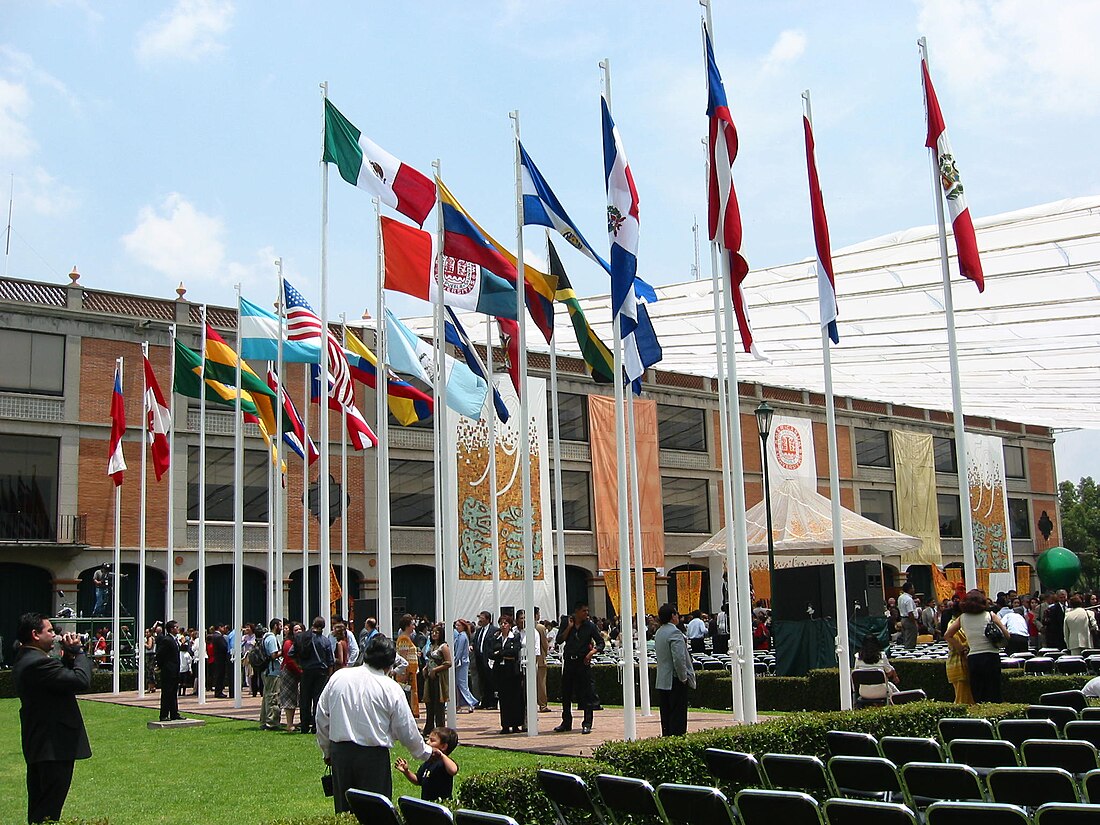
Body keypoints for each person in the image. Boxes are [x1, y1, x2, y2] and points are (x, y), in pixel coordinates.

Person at [315, 636, 433, 814]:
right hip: (373, 757)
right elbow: (406, 729)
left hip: (342, 754)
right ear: (390, 664)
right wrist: (424, 753)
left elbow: (322, 717)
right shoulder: (390, 687)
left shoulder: (339, 677)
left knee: (345, 812)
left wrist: (327, 750)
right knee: (376, 813)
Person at [14, 613, 92, 824]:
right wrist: (79, 652)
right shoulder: (37, 663)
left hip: (43, 745)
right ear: (35, 634)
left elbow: (57, 682)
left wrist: (67, 658)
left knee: (41, 805)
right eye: (49, 631)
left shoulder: (28, 659)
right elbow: (81, 680)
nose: (55, 635)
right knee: (48, 809)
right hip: (53, 746)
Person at [945, 589, 1010, 703]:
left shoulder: (962, 618)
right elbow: (1007, 635)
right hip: (992, 656)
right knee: (994, 691)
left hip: (974, 658)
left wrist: (962, 648)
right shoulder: (990, 615)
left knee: (978, 693)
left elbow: (948, 635)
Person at [555, 604, 604, 734]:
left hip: (583, 663)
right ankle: (566, 722)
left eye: (587, 611)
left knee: (586, 694)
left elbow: (601, 643)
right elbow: (559, 640)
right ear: (576, 612)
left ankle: (587, 723)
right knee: (566, 694)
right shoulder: (567, 622)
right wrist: (569, 628)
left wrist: (591, 652)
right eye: (583, 611)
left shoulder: (590, 626)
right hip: (569, 662)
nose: (586, 613)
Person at [654, 603, 695, 736]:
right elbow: (678, 658)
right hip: (674, 679)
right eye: (676, 613)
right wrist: (683, 677)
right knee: (678, 717)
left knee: (666, 716)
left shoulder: (659, 632)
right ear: (673, 616)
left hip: (662, 679)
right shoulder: (675, 632)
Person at [396, 726, 459, 802]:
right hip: (427, 803)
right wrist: (406, 772)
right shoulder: (428, 762)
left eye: (432, 741)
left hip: (441, 805)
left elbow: (453, 770)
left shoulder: (445, 763)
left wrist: (442, 755)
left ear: (443, 746)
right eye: (428, 739)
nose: (427, 742)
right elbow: (418, 780)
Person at [297, 616, 335, 735]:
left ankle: (304, 725)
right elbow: (330, 661)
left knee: (305, 699)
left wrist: (299, 666)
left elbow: (292, 653)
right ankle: (315, 726)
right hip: (321, 672)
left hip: (307, 670)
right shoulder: (325, 640)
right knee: (318, 699)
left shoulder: (303, 638)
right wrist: (329, 676)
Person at [493, 614, 525, 734]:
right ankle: (505, 725)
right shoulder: (496, 638)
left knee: (515, 698)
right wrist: (502, 654)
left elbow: (514, 651)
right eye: (501, 623)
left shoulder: (515, 637)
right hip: (501, 672)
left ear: (510, 625)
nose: (503, 625)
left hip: (512, 671)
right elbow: (491, 652)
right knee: (504, 699)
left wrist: (500, 653)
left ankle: (516, 724)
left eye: (505, 623)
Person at [422, 623, 452, 736]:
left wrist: (435, 670)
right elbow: (429, 660)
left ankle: (440, 730)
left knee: (438, 706)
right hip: (429, 678)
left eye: (437, 632)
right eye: (432, 632)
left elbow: (448, 663)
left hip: (439, 679)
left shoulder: (443, 647)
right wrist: (426, 668)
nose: (434, 634)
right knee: (429, 703)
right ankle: (429, 728)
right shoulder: (431, 646)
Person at [852, 634, 900, 700]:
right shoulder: (882, 656)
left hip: (864, 692)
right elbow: (889, 673)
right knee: (894, 691)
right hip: (882, 692)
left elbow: (856, 675)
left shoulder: (857, 657)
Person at [155, 620, 182, 722]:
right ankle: (164, 715)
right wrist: (163, 666)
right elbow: (159, 654)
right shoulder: (167, 640)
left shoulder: (174, 640)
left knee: (173, 693)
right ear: (171, 629)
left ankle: (174, 713)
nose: (178, 628)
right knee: (167, 693)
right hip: (168, 671)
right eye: (176, 627)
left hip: (175, 671)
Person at [259, 618, 282, 731]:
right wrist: (284, 651)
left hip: (267, 671)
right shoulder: (272, 638)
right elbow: (273, 655)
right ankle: (272, 722)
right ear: (275, 626)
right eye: (280, 626)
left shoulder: (265, 637)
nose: (281, 628)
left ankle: (264, 721)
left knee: (267, 696)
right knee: (273, 696)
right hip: (272, 671)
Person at [472, 611, 498, 711]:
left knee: (490, 681)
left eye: (482, 618)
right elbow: (475, 642)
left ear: (488, 619)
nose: (480, 620)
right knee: (482, 681)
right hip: (479, 658)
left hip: (489, 659)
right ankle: (484, 701)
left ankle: (492, 702)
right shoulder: (479, 631)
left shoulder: (494, 630)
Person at [280, 621, 303, 732]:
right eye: (296, 630)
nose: (298, 631)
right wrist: (300, 671)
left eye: (300, 629)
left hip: (300, 671)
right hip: (289, 672)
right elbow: (289, 661)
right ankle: (289, 724)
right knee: (289, 698)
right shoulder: (288, 643)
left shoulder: (303, 641)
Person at [452, 619, 477, 712]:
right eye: (456, 625)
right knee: (458, 684)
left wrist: (455, 660)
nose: (457, 627)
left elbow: (459, 651)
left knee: (462, 684)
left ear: (463, 626)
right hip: (461, 663)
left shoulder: (462, 636)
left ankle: (470, 702)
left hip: (462, 663)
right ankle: (459, 704)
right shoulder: (460, 636)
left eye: (458, 625)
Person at [946, 627, 975, 705]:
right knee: (962, 701)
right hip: (958, 665)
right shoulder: (953, 626)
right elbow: (961, 649)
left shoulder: (962, 626)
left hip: (961, 666)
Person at [898, 582, 918, 649]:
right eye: (913, 588)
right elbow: (910, 612)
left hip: (903, 619)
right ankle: (910, 651)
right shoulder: (908, 599)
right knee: (911, 639)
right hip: (909, 620)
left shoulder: (901, 597)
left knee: (906, 637)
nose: (914, 589)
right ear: (909, 589)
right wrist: (914, 622)